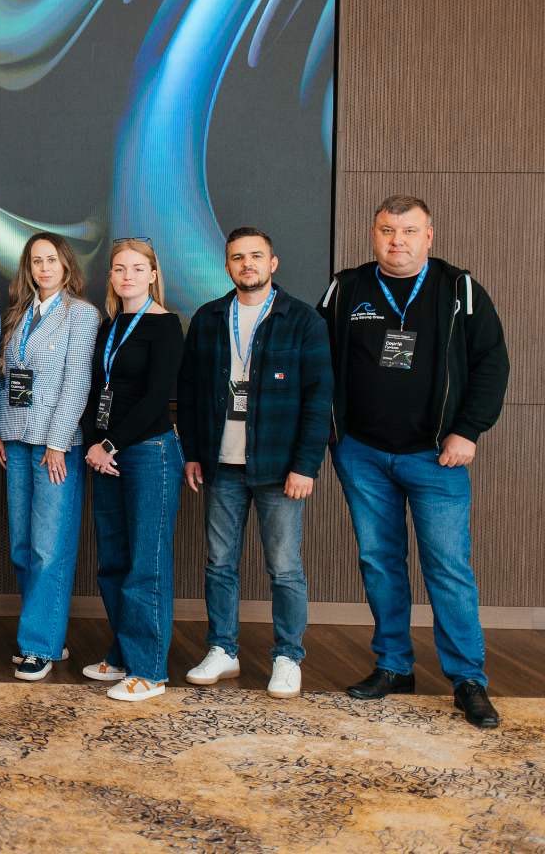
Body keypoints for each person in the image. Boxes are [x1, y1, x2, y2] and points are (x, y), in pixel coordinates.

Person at [318, 195, 508, 728]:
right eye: (386, 230)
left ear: (429, 235)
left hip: (437, 457)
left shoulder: (459, 289)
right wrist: (333, 436)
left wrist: (467, 431)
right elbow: (317, 359)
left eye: (407, 231)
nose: (396, 241)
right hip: (362, 454)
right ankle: (394, 666)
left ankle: (468, 679)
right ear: (373, 234)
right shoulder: (346, 288)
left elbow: (493, 363)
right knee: (380, 562)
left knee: (447, 567)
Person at [179, 227, 332, 698]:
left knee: (284, 567)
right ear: (227, 265)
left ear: (273, 263)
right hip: (221, 464)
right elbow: (189, 392)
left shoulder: (302, 320)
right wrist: (192, 453)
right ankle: (223, 649)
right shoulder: (209, 318)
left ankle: (288, 656)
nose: (247, 264)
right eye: (238, 257)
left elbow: (319, 399)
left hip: (279, 468)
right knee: (219, 563)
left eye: (256, 256)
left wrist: (306, 465)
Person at [0, 232, 99, 681]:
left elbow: (77, 382)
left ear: (66, 265)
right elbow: (4, 378)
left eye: (51, 260)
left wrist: (58, 441)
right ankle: (47, 632)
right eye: (36, 261)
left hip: (56, 446)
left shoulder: (81, 314)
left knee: (48, 548)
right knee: (22, 546)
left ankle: (39, 645)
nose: (44, 268)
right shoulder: (18, 314)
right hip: (15, 440)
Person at [81, 238, 185, 702]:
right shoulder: (109, 325)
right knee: (113, 561)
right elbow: (94, 391)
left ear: (153, 275)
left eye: (137, 268)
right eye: (119, 268)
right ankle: (123, 653)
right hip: (104, 454)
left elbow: (156, 397)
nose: (128, 276)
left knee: (147, 563)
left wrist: (109, 444)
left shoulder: (165, 325)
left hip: (147, 453)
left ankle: (149, 670)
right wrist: (93, 444)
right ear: (111, 276)